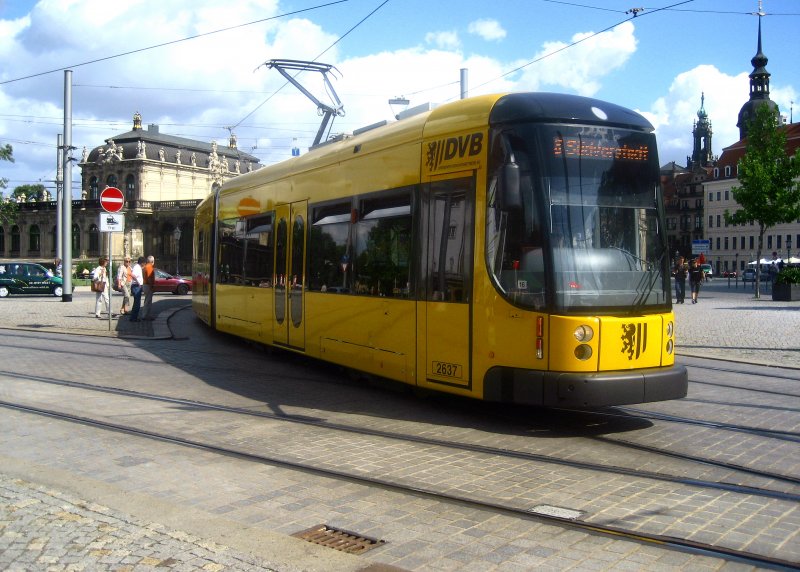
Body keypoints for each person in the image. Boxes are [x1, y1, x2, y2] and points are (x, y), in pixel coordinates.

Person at [128, 256, 145, 322]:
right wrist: (138, 282)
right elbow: (132, 275)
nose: (144, 264)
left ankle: (133, 317)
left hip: (136, 286)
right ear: (142, 263)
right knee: (137, 303)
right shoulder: (137, 267)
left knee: (136, 303)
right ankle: (134, 318)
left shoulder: (138, 267)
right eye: (144, 263)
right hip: (136, 286)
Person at [141, 255, 156, 320]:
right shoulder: (149, 267)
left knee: (146, 301)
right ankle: (145, 316)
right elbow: (149, 278)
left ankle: (145, 315)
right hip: (148, 285)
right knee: (148, 302)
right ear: (152, 261)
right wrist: (152, 286)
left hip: (145, 285)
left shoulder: (145, 267)